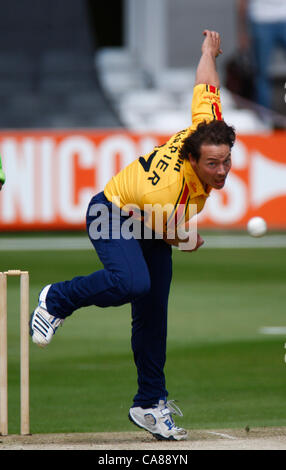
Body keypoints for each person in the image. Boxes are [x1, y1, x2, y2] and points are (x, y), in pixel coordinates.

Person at [30, 30, 236, 441]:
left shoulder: (208, 127)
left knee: (153, 312)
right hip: (113, 212)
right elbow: (176, 234)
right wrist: (192, 239)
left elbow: (204, 83)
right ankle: (56, 299)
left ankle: (149, 403)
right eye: (212, 165)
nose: (222, 171)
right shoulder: (170, 191)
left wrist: (207, 51)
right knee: (133, 282)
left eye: (227, 161)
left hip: (149, 220)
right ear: (191, 158)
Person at [237, 0, 286, 109]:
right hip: (261, 19)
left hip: (284, 16)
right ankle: (264, 116)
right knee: (261, 74)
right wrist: (242, 31)